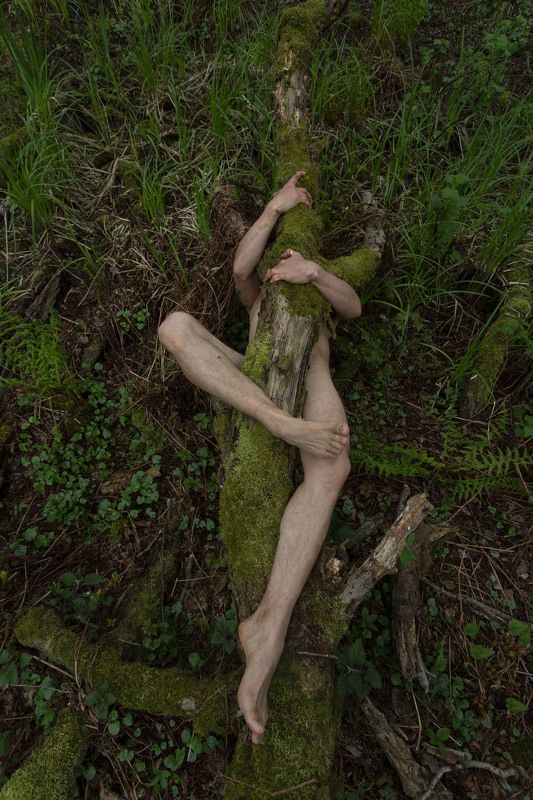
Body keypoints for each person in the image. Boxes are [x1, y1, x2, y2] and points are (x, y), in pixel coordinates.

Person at [157, 170, 362, 744]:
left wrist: (313, 273)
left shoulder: (316, 286)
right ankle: (274, 420)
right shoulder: (261, 285)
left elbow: (353, 307)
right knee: (174, 326)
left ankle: (269, 625)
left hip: (308, 370)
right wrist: (274, 208)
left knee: (334, 464)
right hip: (254, 376)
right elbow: (239, 269)